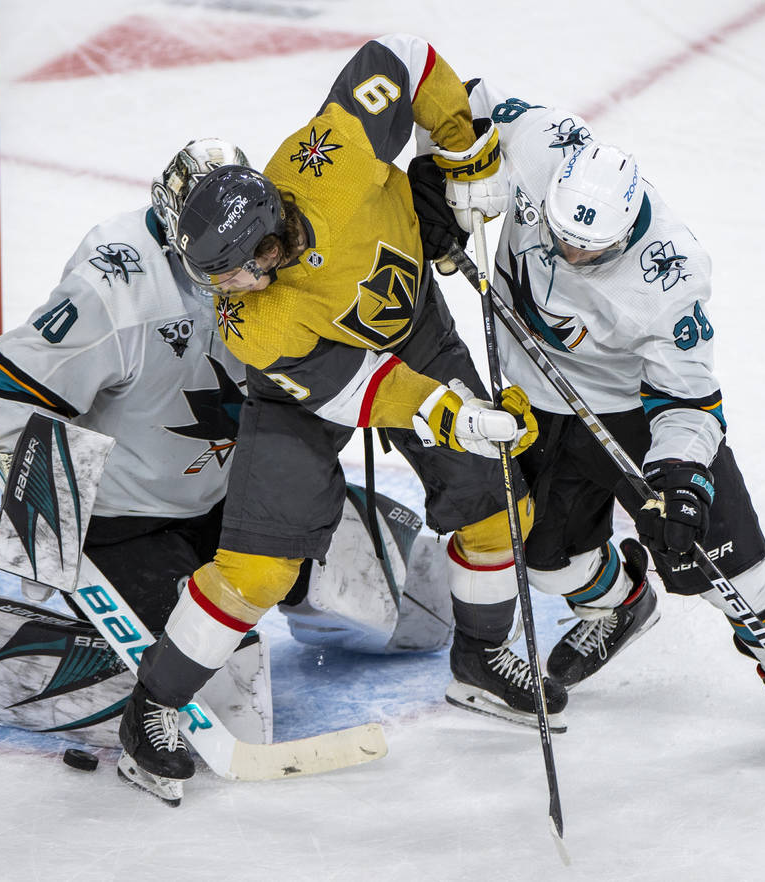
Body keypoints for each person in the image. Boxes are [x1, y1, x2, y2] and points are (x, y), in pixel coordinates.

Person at [0, 139, 453, 750]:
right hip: (129, 523)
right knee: (229, 696)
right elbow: (9, 390)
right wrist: (42, 523)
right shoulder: (117, 287)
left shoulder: (277, 242)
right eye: (229, 259)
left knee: (420, 603)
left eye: (258, 244)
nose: (257, 272)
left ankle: (291, 600)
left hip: (241, 491)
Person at [117, 34, 570, 802]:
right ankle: (151, 708)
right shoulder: (251, 322)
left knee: (500, 508)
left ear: (266, 240)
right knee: (259, 569)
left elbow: (400, 57)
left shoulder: (327, 156)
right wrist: (449, 412)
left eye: (229, 267)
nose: (222, 286)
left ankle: (481, 659)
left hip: (414, 330)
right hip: (311, 391)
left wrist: (466, 153)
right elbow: (359, 389)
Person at [415, 77, 765, 748]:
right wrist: (435, 176)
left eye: (587, 251)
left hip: (630, 412)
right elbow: (451, 98)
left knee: (724, 558)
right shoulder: (540, 142)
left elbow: (688, 399)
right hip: (532, 397)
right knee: (538, 555)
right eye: (560, 236)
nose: (569, 256)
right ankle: (623, 602)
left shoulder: (671, 276)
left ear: (625, 230)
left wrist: (682, 479)